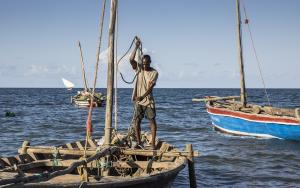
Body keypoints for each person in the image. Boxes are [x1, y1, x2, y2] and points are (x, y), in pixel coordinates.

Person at [130, 39, 159, 149]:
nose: (144, 65)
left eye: (146, 64)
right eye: (143, 63)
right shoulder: (139, 68)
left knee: (152, 120)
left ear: (150, 62)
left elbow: (151, 88)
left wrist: (142, 96)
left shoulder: (154, 73)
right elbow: (131, 59)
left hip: (148, 100)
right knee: (136, 121)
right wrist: (136, 47)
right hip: (138, 101)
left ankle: (152, 144)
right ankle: (139, 142)